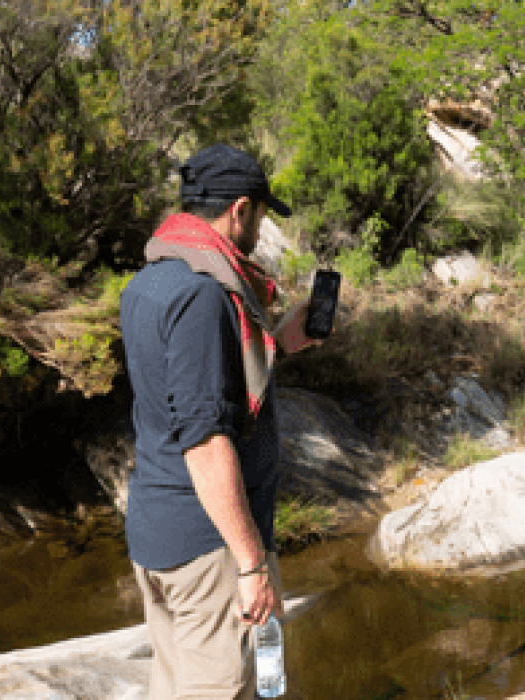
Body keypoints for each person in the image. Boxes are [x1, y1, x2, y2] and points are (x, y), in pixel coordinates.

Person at [121, 144, 322, 699]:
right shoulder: (203, 296)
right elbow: (206, 441)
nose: (259, 226)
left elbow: (188, 390)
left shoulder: (152, 279)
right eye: (260, 213)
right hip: (208, 547)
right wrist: (252, 563)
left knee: (176, 686)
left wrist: (279, 343)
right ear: (240, 210)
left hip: (158, 531)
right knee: (223, 690)